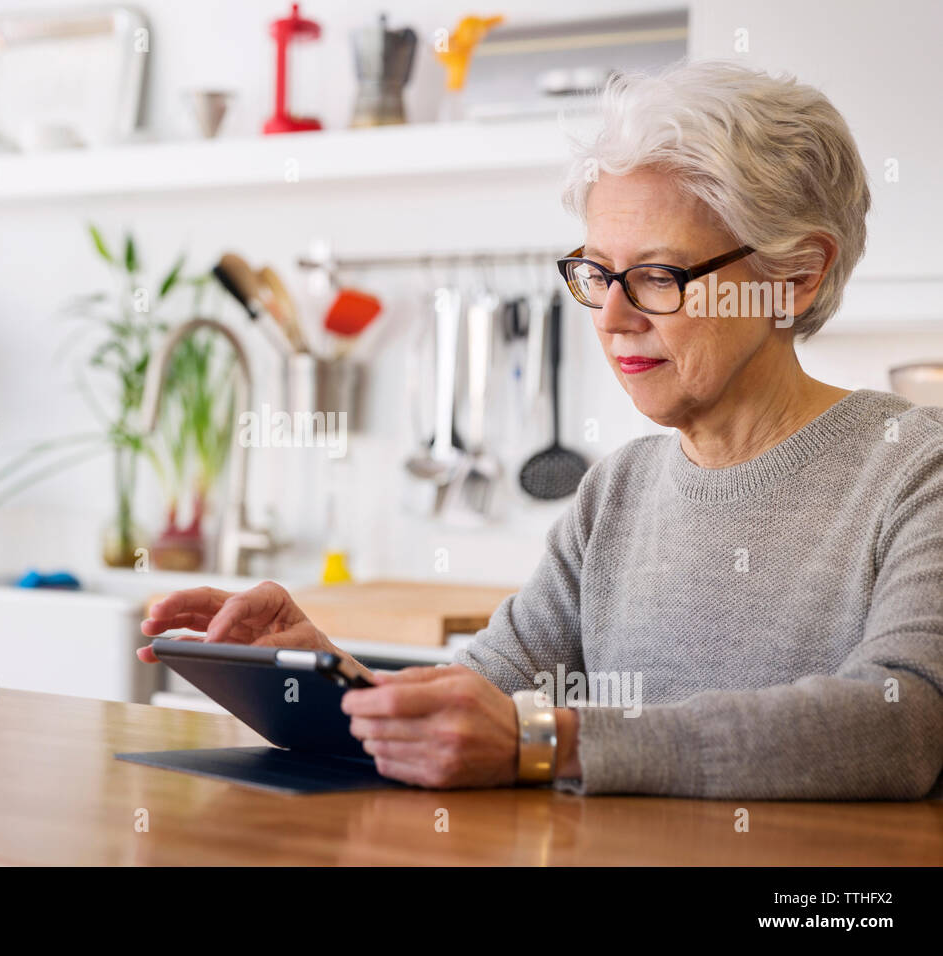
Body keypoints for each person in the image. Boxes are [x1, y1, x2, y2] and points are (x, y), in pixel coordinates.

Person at [140, 60, 943, 799]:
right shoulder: (617, 491)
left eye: (658, 276)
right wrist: (323, 679)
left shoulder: (914, 470)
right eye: (596, 273)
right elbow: (488, 696)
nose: (613, 316)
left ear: (794, 279)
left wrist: (557, 741)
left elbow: (902, 724)